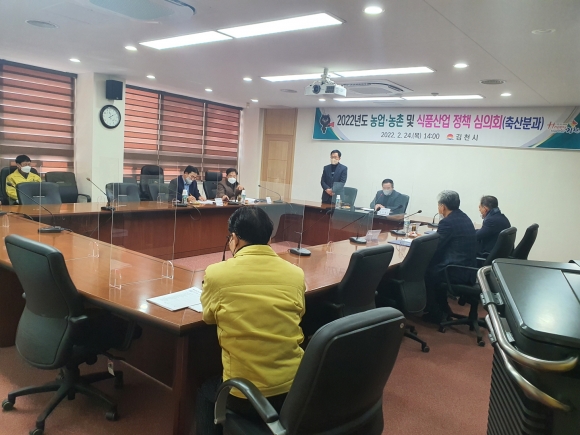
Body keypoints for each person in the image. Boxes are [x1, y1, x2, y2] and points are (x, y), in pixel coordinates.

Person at [197, 206, 306, 435]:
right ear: (269, 238)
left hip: (245, 396)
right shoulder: (296, 274)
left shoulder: (216, 274)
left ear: (234, 239)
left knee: (206, 391)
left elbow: (208, 317)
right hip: (295, 390)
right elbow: (300, 313)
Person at [423, 190, 477, 323]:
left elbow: (436, 246)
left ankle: (436, 313)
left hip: (456, 270)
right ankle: (444, 308)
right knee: (433, 269)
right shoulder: (464, 217)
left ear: (442, 207)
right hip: (469, 268)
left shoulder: (447, 222)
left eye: (438, 205)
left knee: (425, 272)